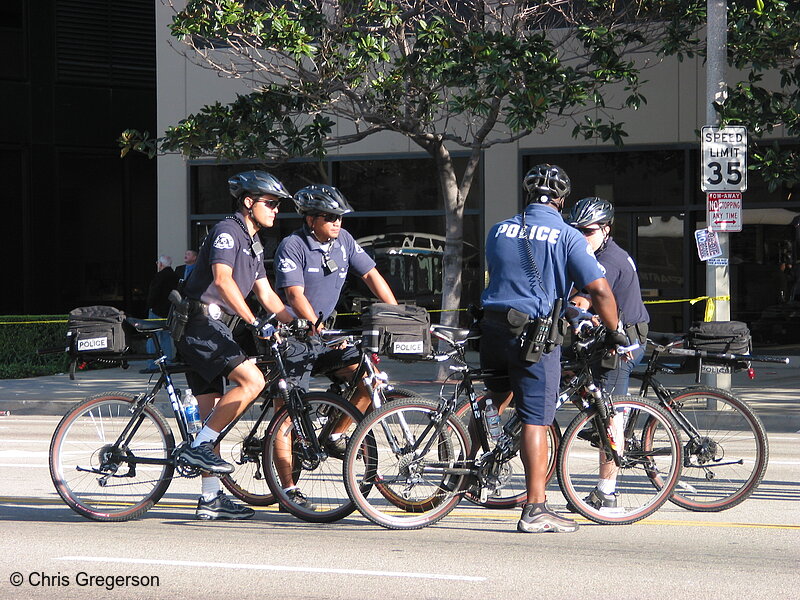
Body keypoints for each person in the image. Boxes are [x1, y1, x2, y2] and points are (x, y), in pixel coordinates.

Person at [480, 164, 623, 534]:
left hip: (491, 329)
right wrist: (613, 331)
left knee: (496, 401)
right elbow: (600, 290)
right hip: (533, 337)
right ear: (562, 199)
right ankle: (535, 508)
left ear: (527, 195)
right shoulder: (567, 235)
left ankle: (475, 471)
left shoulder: (498, 229)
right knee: (536, 419)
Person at [176, 170, 295, 521]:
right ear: (248, 202)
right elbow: (223, 281)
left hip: (214, 328)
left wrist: (301, 323)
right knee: (253, 381)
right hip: (198, 325)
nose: (275, 210)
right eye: (270, 203)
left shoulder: (254, 242)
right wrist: (254, 321)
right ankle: (198, 448)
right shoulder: (228, 231)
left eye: (277, 205)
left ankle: (210, 499)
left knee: (215, 412)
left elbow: (267, 294)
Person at [274, 184, 398, 436]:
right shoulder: (293, 245)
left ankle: (335, 436)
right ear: (310, 219)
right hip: (295, 334)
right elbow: (293, 294)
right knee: (289, 414)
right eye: (329, 217)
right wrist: (314, 327)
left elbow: (370, 275)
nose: (336, 222)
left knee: (369, 381)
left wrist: (397, 313)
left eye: (339, 217)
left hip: (325, 333)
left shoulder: (344, 241)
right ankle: (286, 472)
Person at [565, 196, 650, 512]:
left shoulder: (608, 260)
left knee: (609, 413)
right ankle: (592, 415)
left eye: (587, 231)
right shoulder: (588, 253)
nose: (581, 236)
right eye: (575, 231)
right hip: (604, 336)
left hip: (625, 341)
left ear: (606, 229)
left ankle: (607, 492)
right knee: (566, 373)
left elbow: (586, 299)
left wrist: (572, 307)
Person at [141, 255, 179, 373]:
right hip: (169, 311)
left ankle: (152, 364)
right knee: (167, 337)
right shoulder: (175, 276)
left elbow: (154, 293)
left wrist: (149, 305)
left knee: (153, 337)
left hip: (157, 310)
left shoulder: (160, 276)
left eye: (158, 263)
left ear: (161, 264)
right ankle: (166, 362)